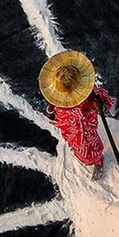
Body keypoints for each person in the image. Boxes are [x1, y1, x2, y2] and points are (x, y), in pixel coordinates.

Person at [39, 51, 114, 180]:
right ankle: (92, 158)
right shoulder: (58, 101)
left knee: (91, 152)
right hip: (73, 134)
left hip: (86, 133)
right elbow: (51, 116)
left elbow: (51, 117)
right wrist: (51, 105)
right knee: (81, 148)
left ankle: (98, 162)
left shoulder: (89, 94)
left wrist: (99, 104)